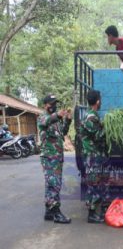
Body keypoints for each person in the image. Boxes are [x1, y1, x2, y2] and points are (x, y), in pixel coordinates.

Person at [38, 94, 72, 224]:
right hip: (49, 157)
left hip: (57, 157)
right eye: (51, 103)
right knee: (55, 185)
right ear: (45, 105)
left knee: (50, 185)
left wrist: (68, 120)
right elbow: (46, 121)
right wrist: (58, 115)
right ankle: (56, 213)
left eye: (55, 103)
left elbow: (62, 132)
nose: (54, 105)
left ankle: (49, 211)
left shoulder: (56, 120)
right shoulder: (42, 117)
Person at [80, 90, 109, 223]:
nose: (101, 101)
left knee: (101, 182)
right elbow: (98, 136)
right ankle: (91, 214)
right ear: (98, 101)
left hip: (98, 155)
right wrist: (108, 127)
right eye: (100, 99)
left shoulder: (94, 115)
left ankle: (102, 209)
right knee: (94, 184)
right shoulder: (90, 117)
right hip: (92, 156)